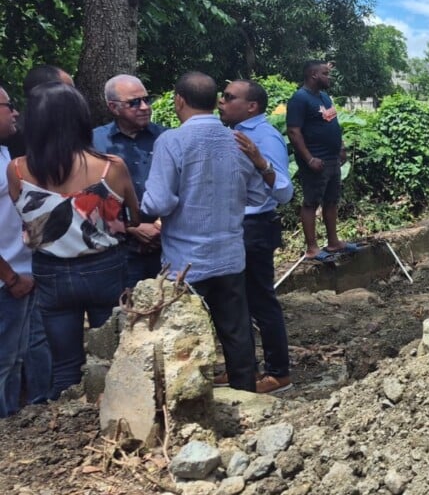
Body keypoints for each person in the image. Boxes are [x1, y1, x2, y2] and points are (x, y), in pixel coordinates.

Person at [6, 83, 137, 399]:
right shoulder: (111, 167)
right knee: (115, 353)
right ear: (80, 118)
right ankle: (117, 412)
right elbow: (134, 215)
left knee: (65, 364)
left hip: (51, 273)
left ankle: (71, 421)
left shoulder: (17, 170)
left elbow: (28, 217)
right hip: (106, 268)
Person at [142, 72, 261, 393]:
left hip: (185, 265)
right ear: (215, 102)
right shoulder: (237, 142)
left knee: (182, 335)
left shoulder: (172, 141)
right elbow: (256, 195)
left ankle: (186, 400)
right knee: (236, 332)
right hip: (230, 258)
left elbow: (158, 202)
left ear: (178, 100)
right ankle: (246, 395)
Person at [218, 79, 295, 394]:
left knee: (261, 301)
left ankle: (279, 373)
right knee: (238, 300)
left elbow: (285, 192)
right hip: (235, 226)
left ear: (251, 106)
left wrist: (260, 161)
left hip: (256, 227)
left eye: (229, 97)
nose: (221, 102)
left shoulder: (264, 137)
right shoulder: (231, 133)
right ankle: (242, 368)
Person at [8, 64, 71, 406]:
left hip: (30, 262)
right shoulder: (23, 152)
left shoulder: (12, 150)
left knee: (34, 341)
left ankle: (38, 403)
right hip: (20, 265)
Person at [93, 74, 166, 287]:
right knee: (125, 313)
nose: (144, 107)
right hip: (119, 250)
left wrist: (159, 226)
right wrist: (132, 228)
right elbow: (84, 196)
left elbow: (184, 185)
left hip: (166, 245)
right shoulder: (94, 142)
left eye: (147, 99)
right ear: (113, 107)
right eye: (134, 102)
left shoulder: (167, 138)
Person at [286, 60, 358, 261]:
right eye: (326, 73)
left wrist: (341, 147)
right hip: (315, 160)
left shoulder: (324, 98)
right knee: (311, 202)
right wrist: (309, 159)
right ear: (314, 75)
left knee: (332, 200)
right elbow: (293, 131)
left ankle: (333, 242)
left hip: (332, 159)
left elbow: (333, 123)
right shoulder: (300, 99)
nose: (330, 77)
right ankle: (312, 248)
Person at [0, 88, 37, 417]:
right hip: (6, 280)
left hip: (18, 274)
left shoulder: (3, 153)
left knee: (16, 358)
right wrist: (9, 277)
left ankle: (10, 424)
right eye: (8, 106)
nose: (15, 113)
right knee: (4, 361)